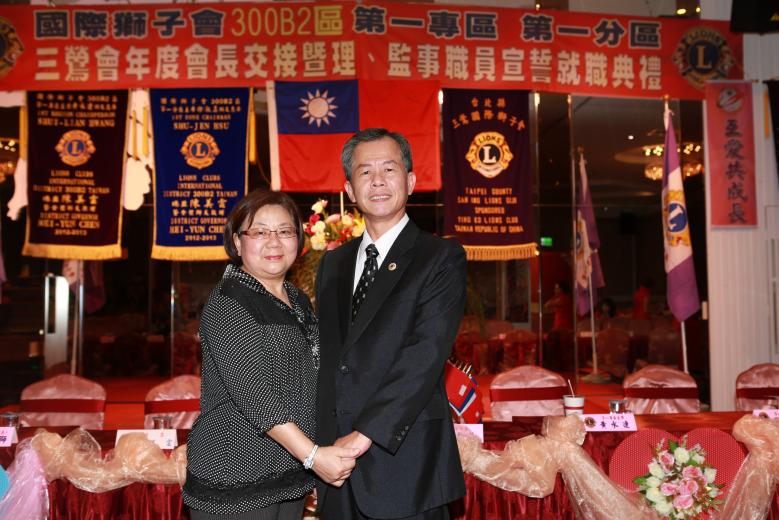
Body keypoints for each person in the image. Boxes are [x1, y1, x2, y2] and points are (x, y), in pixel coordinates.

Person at [314, 128, 467, 519]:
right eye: (365, 172)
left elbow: (424, 355)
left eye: (389, 168)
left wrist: (363, 435)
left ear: (410, 181)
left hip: (405, 465)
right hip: (336, 465)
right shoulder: (333, 263)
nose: (377, 180)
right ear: (350, 189)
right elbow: (329, 358)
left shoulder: (440, 258)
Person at [183, 190, 359, 520]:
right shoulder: (228, 302)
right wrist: (313, 456)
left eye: (284, 231)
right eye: (260, 232)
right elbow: (255, 395)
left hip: (288, 472)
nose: (274, 242)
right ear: (237, 242)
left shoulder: (297, 299)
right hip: (235, 476)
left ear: (299, 239)